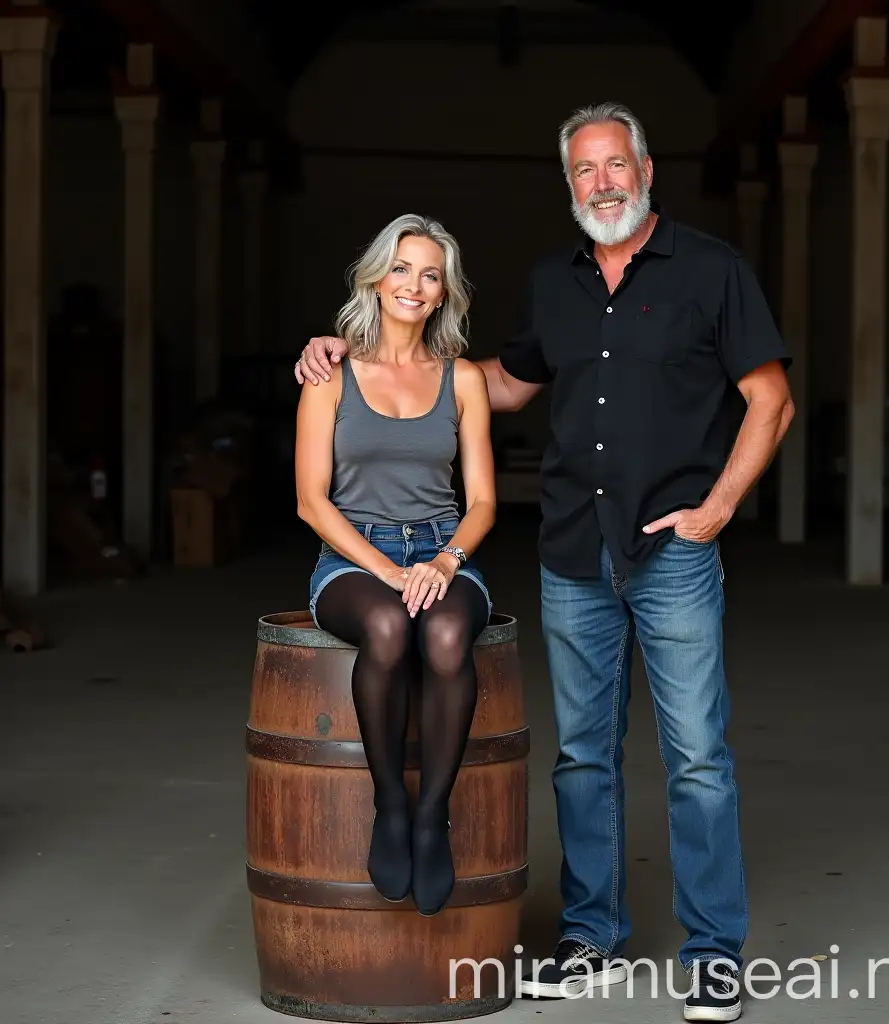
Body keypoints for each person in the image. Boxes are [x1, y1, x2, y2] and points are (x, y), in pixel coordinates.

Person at [295, 104, 793, 1021]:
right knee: (583, 758)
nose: (601, 183)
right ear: (569, 186)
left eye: (615, 165)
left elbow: (771, 400)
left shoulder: (713, 272)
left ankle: (715, 951)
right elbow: (499, 383)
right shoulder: (553, 284)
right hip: (573, 549)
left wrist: (717, 511)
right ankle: (592, 937)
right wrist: (357, 351)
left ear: (646, 170)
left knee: (696, 759)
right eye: (583, 172)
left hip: (672, 550)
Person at [294, 212, 496, 919]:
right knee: (386, 627)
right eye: (402, 269)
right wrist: (385, 568)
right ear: (376, 279)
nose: (414, 284)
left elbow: (483, 503)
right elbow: (312, 503)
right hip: (351, 555)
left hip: (443, 547)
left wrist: (444, 559)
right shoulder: (329, 373)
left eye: (430, 274)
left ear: (444, 294)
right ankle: (390, 802)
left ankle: (430, 816)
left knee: (444, 636)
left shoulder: (463, 379)